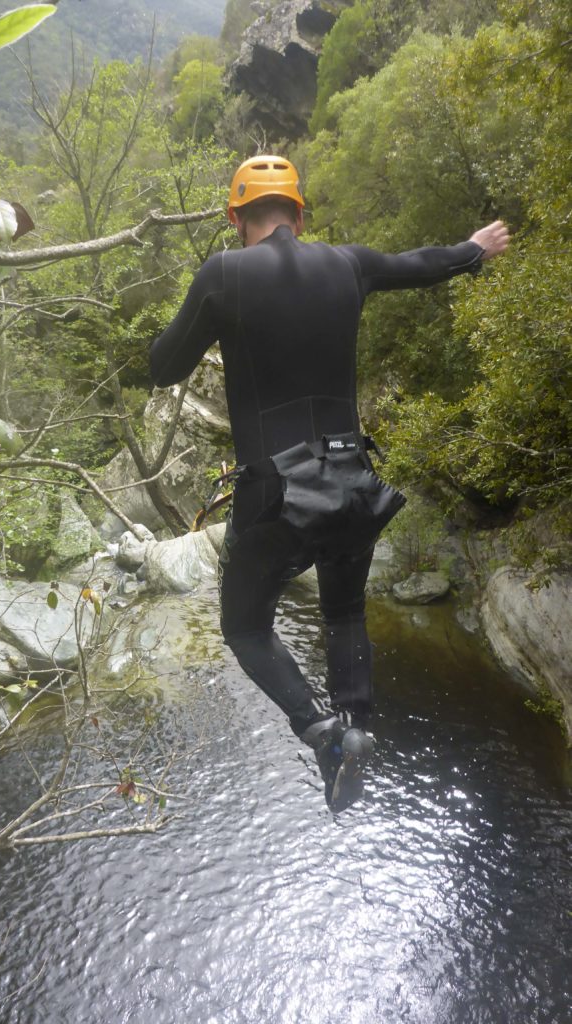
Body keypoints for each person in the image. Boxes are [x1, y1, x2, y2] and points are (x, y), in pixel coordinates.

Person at [149, 155, 510, 811]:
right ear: (298, 211)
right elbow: (420, 263)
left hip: (273, 495)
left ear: (235, 216)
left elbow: (165, 366)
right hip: (350, 480)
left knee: (246, 628)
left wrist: (139, 357)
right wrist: (474, 249)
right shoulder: (346, 263)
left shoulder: (223, 274)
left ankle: (317, 729)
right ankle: (356, 727)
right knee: (343, 612)